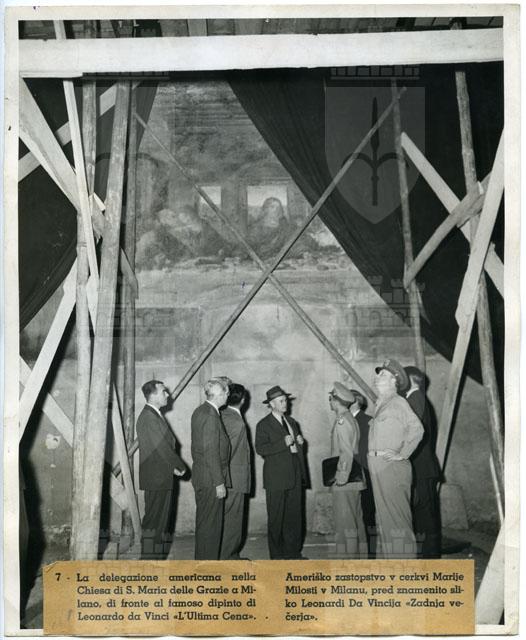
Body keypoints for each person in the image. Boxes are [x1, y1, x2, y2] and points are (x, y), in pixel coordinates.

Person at [368, 359, 424, 558]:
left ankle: (405, 571)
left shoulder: (398, 402)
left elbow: (417, 429)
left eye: (383, 374)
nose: (377, 377)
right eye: (378, 373)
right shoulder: (382, 403)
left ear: (395, 380)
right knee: (385, 521)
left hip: (391, 467)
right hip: (378, 466)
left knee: (397, 522)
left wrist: (403, 453)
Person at [255, 385, 307, 559]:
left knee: (294, 516)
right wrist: (282, 443)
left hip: (294, 474)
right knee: (277, 518)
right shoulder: (263, 424)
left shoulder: (292, 422)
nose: (285, 403)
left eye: (285, 400)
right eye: (281, 401)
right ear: (271, 404)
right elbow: (261, 449)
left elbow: (294, 449)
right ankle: (277, 556)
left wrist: (300, 443)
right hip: (276, 477)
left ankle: (293, 553)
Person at [136, 380, 186, 559]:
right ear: (153, 395)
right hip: (156, 478)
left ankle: (153, 561)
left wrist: (172, 468)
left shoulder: (153, 415)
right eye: (164, 391)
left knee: (158, 523)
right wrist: (179, 466)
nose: (168, 395)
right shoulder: (149, 417)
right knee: (154, 523)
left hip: (160, 475)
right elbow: (162, 447)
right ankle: (148, 563)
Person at [191, 378, 231, 560]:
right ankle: (207, 568)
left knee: (205, 524)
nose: (227, 396)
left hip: (202, 476)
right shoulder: (210, 416)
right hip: (210, 479)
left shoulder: (201, 411)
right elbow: (211, 452)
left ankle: (203, 564)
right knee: (211, 527)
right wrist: (219, 482)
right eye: (225, 393)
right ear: (218, 395)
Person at [404, 366, 442, 559]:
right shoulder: (416, 398)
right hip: (423, 467)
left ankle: (428, 556)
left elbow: (413, 432)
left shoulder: (415, 398)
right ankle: (427, 553)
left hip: (420, 467)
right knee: (423, 512)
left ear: (411, 380)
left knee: (424, 513)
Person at [328, 383, 367, 558]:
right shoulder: (350, 418)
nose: (330, 402)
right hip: (355, 479)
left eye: (331, 398)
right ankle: (360, 560)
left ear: (336, 401)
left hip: (346, 480)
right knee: (356, 522)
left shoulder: (342, 421)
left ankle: (347, 564)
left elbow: (346, 452)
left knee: (345, 525)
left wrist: (341, 478)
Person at [219, 383, 251, 560]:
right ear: (243, 400)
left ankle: (225, 554)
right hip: (235, 477)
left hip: (227, 476)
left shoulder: (223, 415)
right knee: (233, 519)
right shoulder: (236, 421)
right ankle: (229, 557)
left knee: (227, 517)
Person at [350, 388, 376, 558]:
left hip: (363, 473)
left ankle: (371, 554)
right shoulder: (348, 420)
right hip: (355, 472)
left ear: (354, 402)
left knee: (368, 514)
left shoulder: (366, 420)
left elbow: (363, 451)